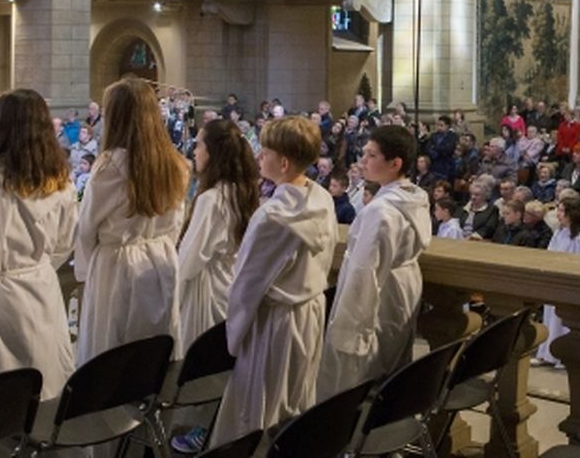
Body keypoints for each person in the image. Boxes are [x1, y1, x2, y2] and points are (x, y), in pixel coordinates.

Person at [210, 116, 336, 446]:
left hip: (274, 325)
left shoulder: (272, 217)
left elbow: (247, 283)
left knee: (260, 405)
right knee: (296, 398)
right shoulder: (321, 198)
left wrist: (234, 338)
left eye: (264, 151)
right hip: (309, 314)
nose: (257, 156)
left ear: (282, 162)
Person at [0, 89, 78, 399]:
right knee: (44, 385)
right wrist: (35, 267)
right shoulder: (61, 184)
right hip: (42, 288)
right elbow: (64, 243)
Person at [75, 78, 189, 364]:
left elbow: (87, 227)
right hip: (161, 259)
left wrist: (91, 266)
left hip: (117, 265)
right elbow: (177, 221)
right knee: (153, 350)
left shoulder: (110, 165)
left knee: (111, 354)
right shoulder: (175, 162)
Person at [317, 124, 432, 401]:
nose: (363, 161)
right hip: (403, 286)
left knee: (359, 369)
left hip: (378, 294)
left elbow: (364, 271)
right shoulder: (414, 197)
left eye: (371, 156)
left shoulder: (381, 211)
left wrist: (349, 330)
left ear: (395, 163)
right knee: (391, 361)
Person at [178, 119, 260, 352]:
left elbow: (189, 260)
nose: (195, 152)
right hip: (229, 285)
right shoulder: (241, 192)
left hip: (207, 292)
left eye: (199, 145)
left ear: (213, 153)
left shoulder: (211, 200)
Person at [535, 196, 580, 367]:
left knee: (561, 322)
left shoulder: (579, 238)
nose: (558, 214)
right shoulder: (560, 232)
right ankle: (547, 353)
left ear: (572, 214)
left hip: (568, 286)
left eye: (561, 211)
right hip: (554, 282)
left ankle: (561, 356)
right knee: (550, 318)